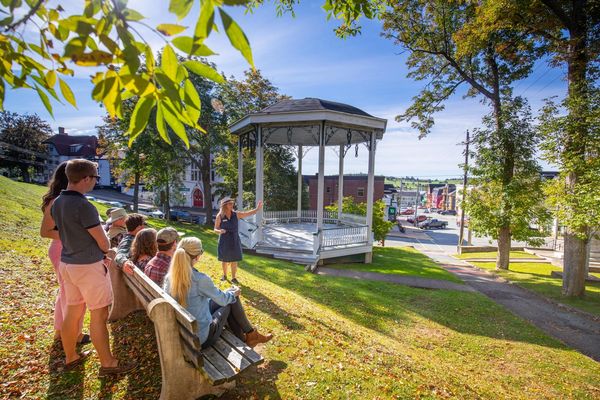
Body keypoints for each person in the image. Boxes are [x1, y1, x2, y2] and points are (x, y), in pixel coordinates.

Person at [51, 159, 135, 376]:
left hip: (67, 263)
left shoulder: (58, 202)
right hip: (88, 266)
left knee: (72, 311)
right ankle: (108, 363)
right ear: (86, 178)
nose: (95, 183)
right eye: (95, 178)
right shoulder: (84, 206)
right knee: (98, 316)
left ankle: (71, 357)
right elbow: (105, 243)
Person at [163, 237, 273, 348]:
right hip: (201, 337)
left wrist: (229, 293)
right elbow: (223, 300)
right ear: (197, 257)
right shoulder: (200, 279)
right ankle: (249, 337)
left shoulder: (170, 277)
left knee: (229, 296)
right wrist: (234, 293)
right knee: (230, 302)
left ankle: (250, 336)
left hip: (183, 331)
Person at [40, 162, 89, 345]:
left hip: (66, 248)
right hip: (62, 249)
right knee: (74, 296)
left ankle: (61, 331)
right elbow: (45, 232)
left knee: (67, 293)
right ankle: (72, 334)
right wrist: (74, 234)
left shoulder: (66, 199)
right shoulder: (57, 201)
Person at [214, 197, 263, 284]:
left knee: (234, 259)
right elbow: (215, 229)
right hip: (224, 240)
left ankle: (233, 278)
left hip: (234, 239)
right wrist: (220, 231)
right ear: (225, 205)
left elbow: (247, 213)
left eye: (232, 203)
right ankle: (224, 275)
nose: (232, 205)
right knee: (224, 260)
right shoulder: (220, 216)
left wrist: (257, 209)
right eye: (229, 203)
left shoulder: (236, 214)